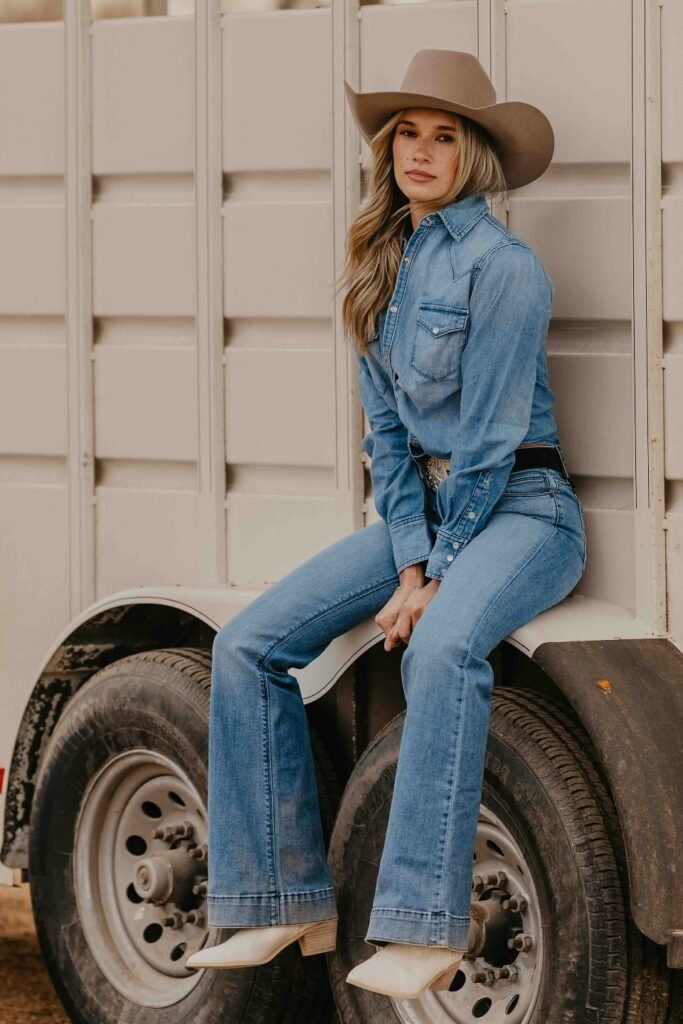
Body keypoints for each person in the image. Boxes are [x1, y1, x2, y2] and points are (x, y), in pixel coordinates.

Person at [186, 49, 587, 1000]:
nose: (420, 150)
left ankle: (423, 927)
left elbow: (489, 444)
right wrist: (411, 561)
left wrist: (438, 579)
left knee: (439, 650)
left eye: (443, 136)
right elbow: (388, 440)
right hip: (433, 518)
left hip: (524, 512)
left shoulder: (505, 269)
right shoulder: (381, 262)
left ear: (474, 156)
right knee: (248, 646)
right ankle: (286, 901)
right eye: (406, 132)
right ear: (387, 146)